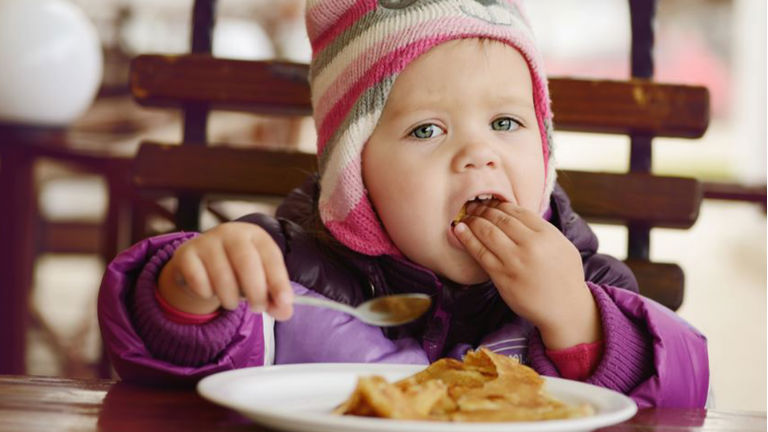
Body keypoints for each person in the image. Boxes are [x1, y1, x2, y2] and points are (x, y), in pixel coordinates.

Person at [98, 0, 708, 407]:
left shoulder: (584, 281)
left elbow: (680, 395)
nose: (478, 154)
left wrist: (576, 322)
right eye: (426, 131)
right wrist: (188, 291)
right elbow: (156, 365)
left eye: (505, 122)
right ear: (353, 176)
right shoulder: (285, 274)